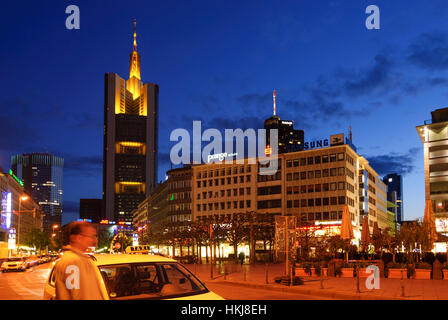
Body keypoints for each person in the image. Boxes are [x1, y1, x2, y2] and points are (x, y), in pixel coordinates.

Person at [54, 221, 108, 300]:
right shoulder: (72, 262)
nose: (95, 240)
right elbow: (77, 295)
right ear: (78, 238)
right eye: (92, 236)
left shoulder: (83, 259)